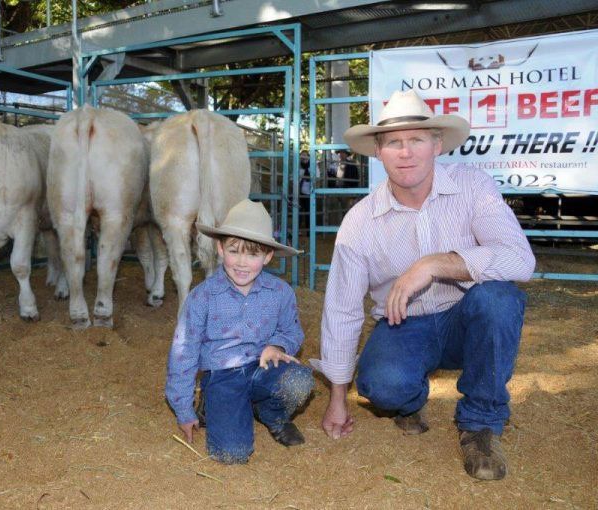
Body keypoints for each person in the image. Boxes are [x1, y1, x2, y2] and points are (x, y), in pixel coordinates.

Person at [310, 89, 535, 481]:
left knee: (498, 299)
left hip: (467, 318)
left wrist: (436, 264)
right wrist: (337, 399)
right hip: (404, 324)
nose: (406, 152)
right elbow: (342, 310)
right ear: (378, 151)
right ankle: (410, 400)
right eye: (394, 142)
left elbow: (521, 260)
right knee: (382, 387)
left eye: (416, 139)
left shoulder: (474, 187)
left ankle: (480, 424)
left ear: (437, 144)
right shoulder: (360, 222)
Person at [166, 199, 314, 464]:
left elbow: (292, 332)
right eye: (235, 251)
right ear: (220, 248)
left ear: (268, 256)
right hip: (223, 376)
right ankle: (213, 405)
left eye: (253, 254)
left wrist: (278, 346)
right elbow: (183, 353)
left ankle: (271, 413)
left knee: (300, 380)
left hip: (263, 368)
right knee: (232, 454)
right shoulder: (202, 297)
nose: (243, 263)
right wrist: (183, 409)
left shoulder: (280, 292)